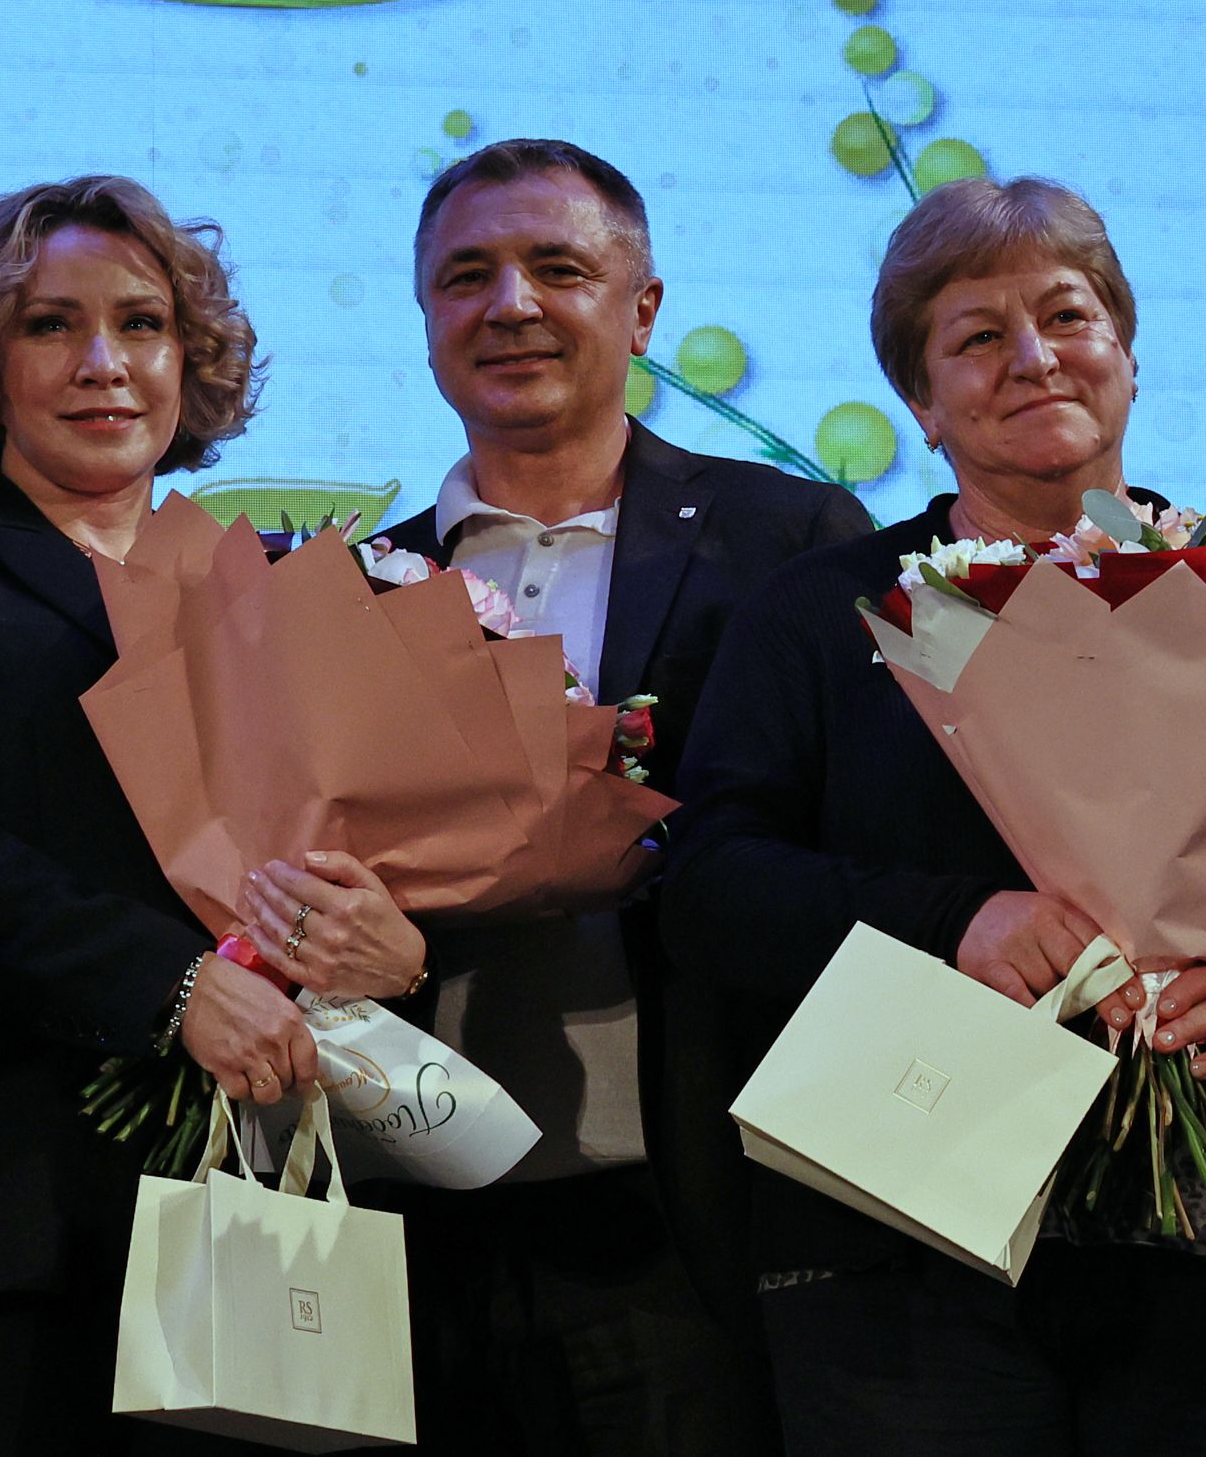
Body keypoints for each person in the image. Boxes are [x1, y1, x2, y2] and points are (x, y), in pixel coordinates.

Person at [662, 175, 1206, 1455]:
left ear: (1128, 356)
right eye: (976, 336)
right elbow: (713, 884)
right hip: (904, 1255)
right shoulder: (824, 614)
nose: (1033, 358)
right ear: (921, 401)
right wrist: (959, 922)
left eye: (1067, 317)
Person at [250, 138, 871, 1456]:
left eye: (558, 268)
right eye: (464, 275)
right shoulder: (341, 588)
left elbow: (842, 846)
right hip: (403, 1207)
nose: (510, 304)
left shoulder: (790, 540)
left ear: (643, 310)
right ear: (425, 315)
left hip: (685, 1204)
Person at [0, 176, 397, 1455]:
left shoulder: (280, 595)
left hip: (240, 1224)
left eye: (142, 324)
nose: (103, 363)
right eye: (50, 324)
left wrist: (385, 940)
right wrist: (170, 982)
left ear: (192, 359)